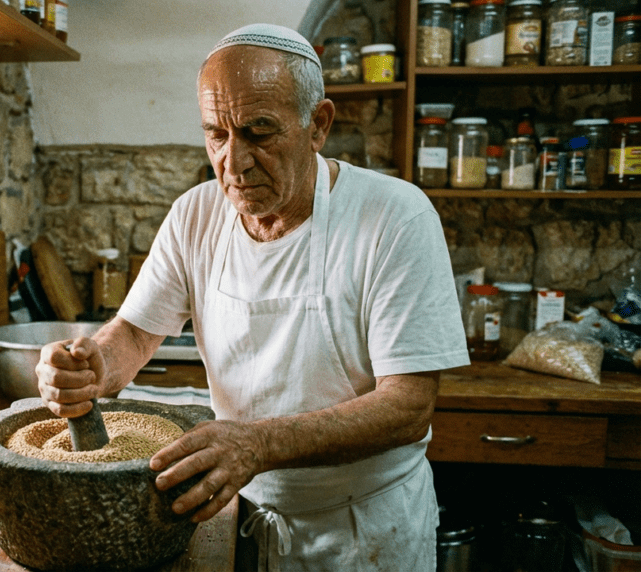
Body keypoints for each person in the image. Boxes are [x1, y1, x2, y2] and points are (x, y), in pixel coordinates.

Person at [35, 23, 470, 571]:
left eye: (259, 132)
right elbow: (136, 333)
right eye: (216, 134)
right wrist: (93, 366)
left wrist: (258, 445)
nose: (233, 163)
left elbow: (408, 406)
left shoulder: (393, 216)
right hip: (240, 511)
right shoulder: (195, 215)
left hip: (362, 533)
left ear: (319, 125)